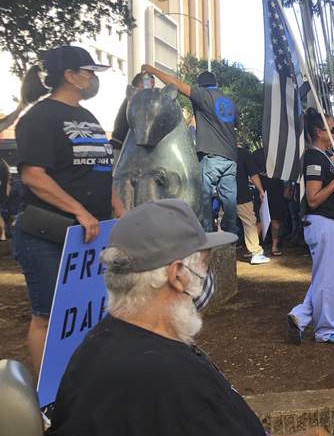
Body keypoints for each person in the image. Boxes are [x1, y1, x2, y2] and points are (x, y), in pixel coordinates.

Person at [47, 199, 334, 436]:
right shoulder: (169, 378)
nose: (207, 276)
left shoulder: (102, 343)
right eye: (204, 264)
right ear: (177, 275)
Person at [13, 46, 123, 371]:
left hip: (88, 238)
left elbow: (100, 169)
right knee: (47, 317)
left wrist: (116, 204)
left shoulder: (87, 116)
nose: (92, 78)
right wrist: (79, 211)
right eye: (88, 72)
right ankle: (49, 396)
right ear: (70, 76)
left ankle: (79, 381)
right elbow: (33, 175)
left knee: (85, 312)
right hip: (47, 236)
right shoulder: (39, 118)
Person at [142, 65, 238, 235]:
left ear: (201, 86)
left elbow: (178, 85)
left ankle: (206, 233)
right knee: (229, 198)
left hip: (211, 155)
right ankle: (231, 232)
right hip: (230, 158)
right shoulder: (229, 100)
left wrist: (153, 71)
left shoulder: (203, 95)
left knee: (204, 197)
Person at [288, 110, 334, 344]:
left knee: (326, 275)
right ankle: (325, 330)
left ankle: (301, 315)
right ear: (319, 132)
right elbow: (313, 198)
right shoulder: (314, 157)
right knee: (327, 277)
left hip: (327, 222)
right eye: (332, 130)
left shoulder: (321, 156)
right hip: (322, 221)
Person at [236, 143, 269, 265]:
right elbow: (253, 174)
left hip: (222, 193)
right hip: (241, 194)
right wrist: (260, 190)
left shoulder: (219, 153)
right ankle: (256, 252)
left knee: (229, 224)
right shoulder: (243, 153)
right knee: (249, 222)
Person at [110, 72, 154, 152]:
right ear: (141, 86)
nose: (152, 90)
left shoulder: (132, 99)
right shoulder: (136, 99)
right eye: (150, 85)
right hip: (121, 148)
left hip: (121, 146)